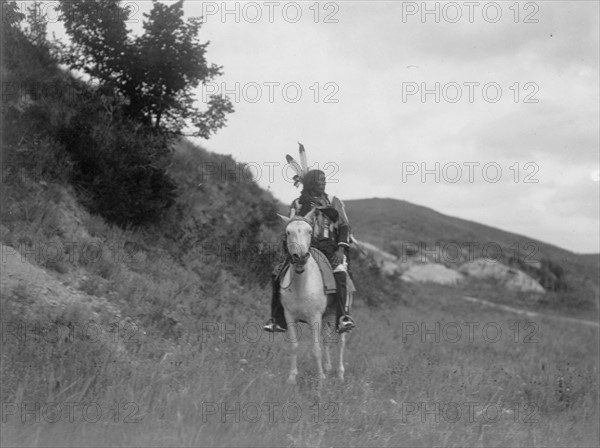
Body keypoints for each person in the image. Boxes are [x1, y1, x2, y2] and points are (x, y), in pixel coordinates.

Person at [263, 169, 356, 334]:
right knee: (277, 274)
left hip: (328, 248)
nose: (324, 182)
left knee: (340, 273)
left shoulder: (334, 201)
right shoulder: (298, 203)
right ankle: (277, 319)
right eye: (320, 180)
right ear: (311, 183)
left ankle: (342, 317)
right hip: (303, 247)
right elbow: (291, 227)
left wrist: (341, 249)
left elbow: (344, 226)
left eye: (324, 179)